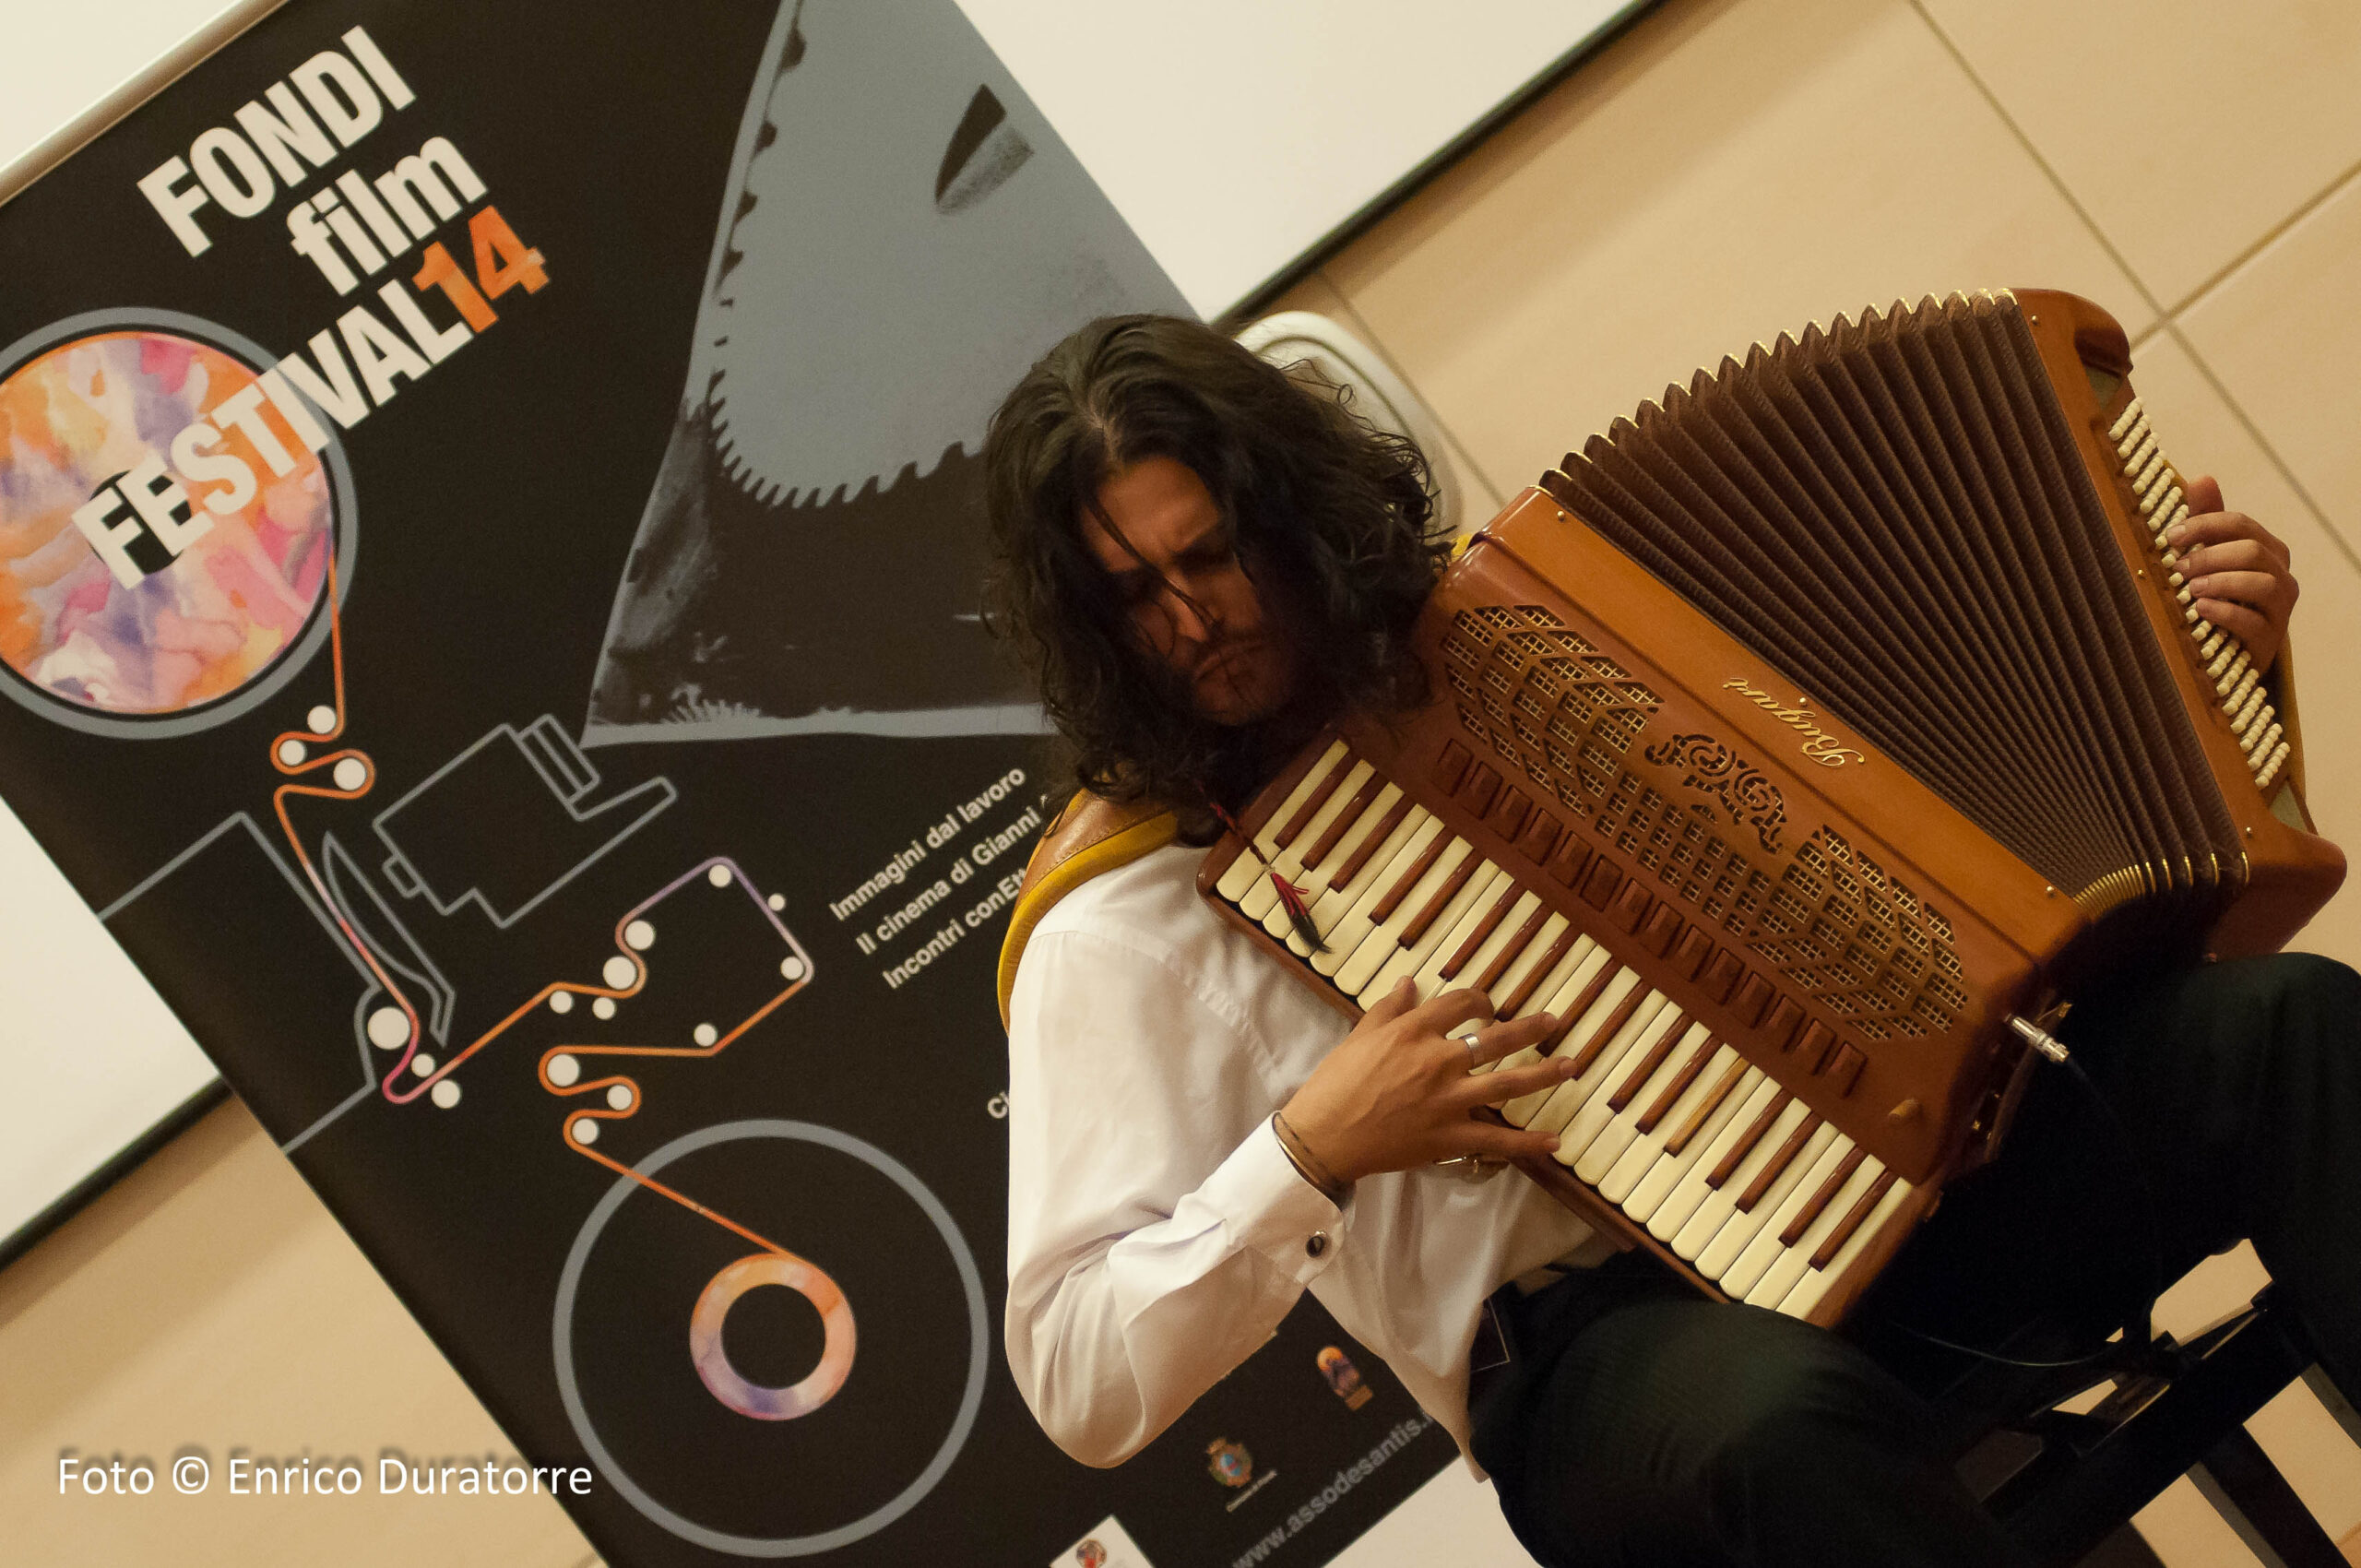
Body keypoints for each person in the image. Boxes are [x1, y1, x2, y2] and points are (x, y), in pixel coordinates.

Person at [984, 313, 2358, 1566]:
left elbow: (1965, 823)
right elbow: (1074, 1375)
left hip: (1915, 1195)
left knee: (2288, 1031)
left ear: (1282, 516)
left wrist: (2203, 645)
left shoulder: (1535, 638)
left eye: (1209, 554)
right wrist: (1308, 1153)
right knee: (1775, 1423)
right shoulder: (1113, 927)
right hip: (1597, 1357)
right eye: (1132, 597)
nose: (1189, 618)